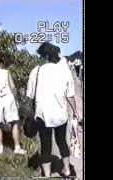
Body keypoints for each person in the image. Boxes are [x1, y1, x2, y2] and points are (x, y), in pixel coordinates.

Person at [26, 42, 80, 177]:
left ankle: (47, 174)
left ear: (43, 56)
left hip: (43, 115)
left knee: (46, 146)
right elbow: (70, 95)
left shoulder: (36, 71)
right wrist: (76, 112)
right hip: (60, 114)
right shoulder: (64, 70)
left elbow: (30, 95)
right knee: (62, 142)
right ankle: (67, 170)